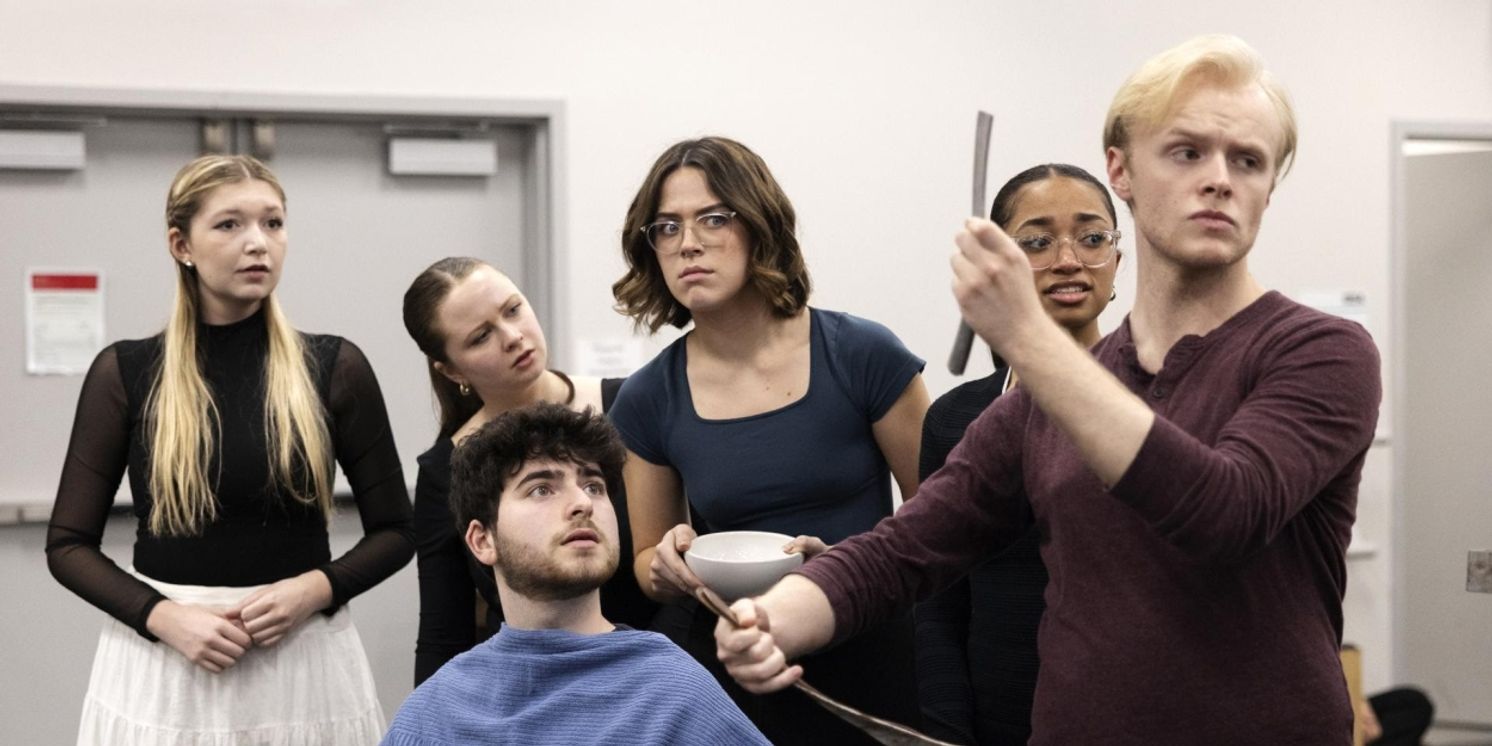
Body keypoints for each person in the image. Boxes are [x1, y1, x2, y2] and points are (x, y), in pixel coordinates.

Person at [716, 34, 1382, 745]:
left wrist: (1028, 338)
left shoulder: (1321, 350)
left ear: (1268, 186)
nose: (1219, 178)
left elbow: (1223, 512)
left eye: (1247, 160)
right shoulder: (1048, 400)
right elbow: (912, 544)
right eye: (1187, 152)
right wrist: (782, 614)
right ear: (1121, 170)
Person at [45, 154, 414, 744]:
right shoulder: (126, 372)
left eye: (273, 223)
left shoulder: (335, 366)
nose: (258, 244)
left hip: (302, 661)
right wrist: (163, 618)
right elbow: (66, 546)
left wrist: (314, 588)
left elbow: (398, 529)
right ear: (181, 244)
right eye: (229, 225)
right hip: (167, 661)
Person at [609, 135, 931, 744]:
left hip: (873, 653)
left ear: (759, 225)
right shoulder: (649, 396)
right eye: (667, 228)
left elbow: (940, 522)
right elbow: (647, 560)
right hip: (740, 665)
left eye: (712, 218)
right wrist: (672, 562)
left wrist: (839, 561)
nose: (689, 244)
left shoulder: (862, 354)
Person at [382, 403, 769, 745]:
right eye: (541, 489)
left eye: (594, 486)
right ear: (482, 540)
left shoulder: (673, 694)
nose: (582, 502)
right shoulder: (435, 714)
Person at [915, 163, 1122, 745]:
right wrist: (944, 729)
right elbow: (937, 602)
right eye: (1035, 242)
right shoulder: (957, 421)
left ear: (1118, 262)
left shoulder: (1161, 404)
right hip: (997, 716)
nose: (1067, 259)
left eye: (1092, 238)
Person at [402, 257, 658, 685]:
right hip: (535, 685)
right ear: (451, 370)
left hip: (656, 673)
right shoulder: (445, 470)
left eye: (513, 309)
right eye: (482, 336)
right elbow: (444, 635)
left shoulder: (629, 405)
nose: (513, 337)